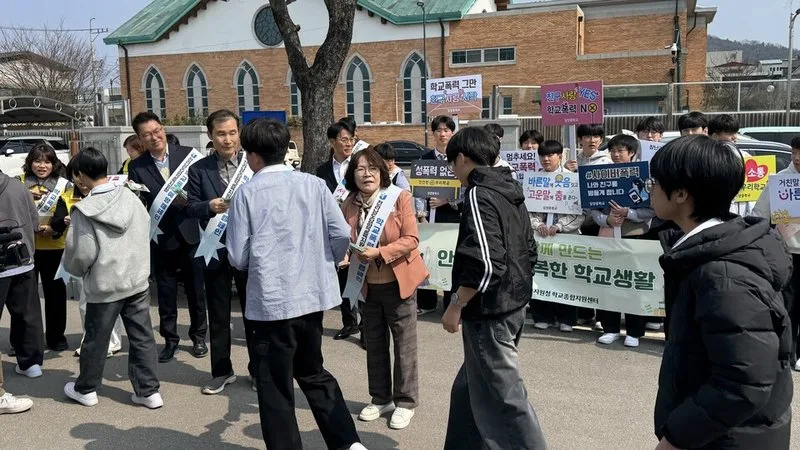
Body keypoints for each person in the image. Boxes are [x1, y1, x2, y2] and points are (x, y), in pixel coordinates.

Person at [226, 118, 365, 450]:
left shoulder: (246, 194)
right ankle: (347, 442)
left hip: (271, 301)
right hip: (310, 297)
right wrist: (324, 262)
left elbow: (237, 256)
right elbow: (342, 233)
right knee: (312, 370)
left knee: (275, 386)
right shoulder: (314, 185)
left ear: (251, 156)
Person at [650, 135, 793, 450]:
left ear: (681, 194)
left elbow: (743, 382)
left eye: (655, 182)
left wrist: (676, 438)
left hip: (729, 437)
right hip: (722, 431)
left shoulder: (723, 274)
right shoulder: (708, 251)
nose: (650, 189)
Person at [441, 127, 546, 449]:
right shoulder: (508, 186)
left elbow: (485, 263)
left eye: (452, 164)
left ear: (461, 158)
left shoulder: (478, 193)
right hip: (512, 303)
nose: (453, 171)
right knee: (470, 388)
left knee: (505, 397)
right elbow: (529, 248)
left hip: (490, 310)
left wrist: (456, 304)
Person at [61, 148, 163, 409]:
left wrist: (77, 271)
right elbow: (145, 228)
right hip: (136, 279)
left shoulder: (84, 210)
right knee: (141, 337)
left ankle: (86, 388)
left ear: (81, 176)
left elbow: (82, 254)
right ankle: (148, 391)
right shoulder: (130, 196)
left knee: (97, 338)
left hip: (105, 284)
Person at [341, 149, 428, 430]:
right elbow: (344, 237)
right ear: (352, 175)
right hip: (367, 284)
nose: (367, 174)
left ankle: (405, 402)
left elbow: (411, 239)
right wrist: (343, 254)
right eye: (360, 169)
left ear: (382, 173)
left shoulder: (399, 197)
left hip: (398, 281)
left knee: (404, 344)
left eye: (373, 169)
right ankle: (380, 398)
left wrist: (380, 251)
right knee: (374, 343)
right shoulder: (349, 204)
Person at [128, 112, 208, 363]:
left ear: (163, 129)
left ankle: (198, 337)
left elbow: (202, 191)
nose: (154, 137)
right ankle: (170, 340)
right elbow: (137, 201)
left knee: (196, 289)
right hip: (160, 236)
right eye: (147, 135)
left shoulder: (188, 156)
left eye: (157, 130)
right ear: (140, 139)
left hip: (191, 231)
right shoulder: (137, 166)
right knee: (165, 291)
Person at [186, 109, 255, 394]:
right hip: (215, 248)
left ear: (239, 133)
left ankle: (258, 370)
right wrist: (208, 207)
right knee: (218, 311)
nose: (227, 139)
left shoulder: (253, 164)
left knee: (254, 312)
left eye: (232, 133)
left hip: (250, 248)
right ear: (211, 137)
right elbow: (190, 206)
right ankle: (221, 371)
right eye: (220, 134)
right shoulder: (199, 169)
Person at [590, 134, 654, 348]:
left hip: (634, 236)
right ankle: (610, 328)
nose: (616, 155)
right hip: (607, 236)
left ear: (632, 153)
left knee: (633, 283)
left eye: (621, 151)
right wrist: (605, 219)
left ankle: (634, 331)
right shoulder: (600, 175)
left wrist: (629, 212)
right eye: (613, 151)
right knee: (607, 281)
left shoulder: (644, 177)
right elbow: (592, 207)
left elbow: (652, 210)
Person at [19, 143, 74, 354]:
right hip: (27, 247)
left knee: (56, 296)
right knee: (25, 297)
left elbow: (70, 210)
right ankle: (25, 339)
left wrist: (55, 228)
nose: (42, 166)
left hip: (55, 246)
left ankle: (56, 337)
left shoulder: (65, 185)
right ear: (30, 162)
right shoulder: (19, 183)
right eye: (37, 161)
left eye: (47, 161)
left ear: (54, 163)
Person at [66, 158, 123, 358]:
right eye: (75, 175)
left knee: (111, 301)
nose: (80, 180)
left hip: (108, 258)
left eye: (82, 174)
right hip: (85, 262)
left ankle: (112, 341)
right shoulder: (67, 197)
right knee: (85, 302)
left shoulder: (115, 194)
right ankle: (89, 338)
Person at [751, 135, 800, 371]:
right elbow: (760, 215)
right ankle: (787, 352)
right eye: (794, 152)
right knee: (787, 305)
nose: (797, 158)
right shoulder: (779, 181)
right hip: (788, 252)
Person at [529, 140, 583, 332]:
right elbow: (528, 211)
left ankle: (566, 318)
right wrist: (539, 224)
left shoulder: (572, 179)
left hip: (566, 237)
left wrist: (559, 226)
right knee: (541, 274)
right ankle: (542, 315)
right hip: (540, 237)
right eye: (542, 155)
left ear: (560, 156)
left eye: (550, 155)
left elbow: (579, 213)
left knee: (565, 276)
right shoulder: (533, 179)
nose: (545, 159)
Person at [0, 168, 44, 402]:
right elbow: (34, 221)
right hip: (22, 259)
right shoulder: (19, 187)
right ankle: (31, 363)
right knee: (27, 315)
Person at [316, 122, 361, 343]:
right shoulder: (321, 170)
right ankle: (350, 322)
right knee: (343, 275)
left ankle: (368, 327)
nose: (349, 143)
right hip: (335, 231)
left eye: (351, 138)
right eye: (344, 139)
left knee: (362, 276)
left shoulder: (361, 165)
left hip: (360, 226)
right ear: (332, 142)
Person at [417, 115, 460, 315]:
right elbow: (417, 190)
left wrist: (447, 201)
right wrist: (420, 213)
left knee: (450, 259)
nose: (442, 134)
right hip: (427, 218)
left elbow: (465, 190)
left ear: (452, 132)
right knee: (427, 258)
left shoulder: (459, 158)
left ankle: (451, 303)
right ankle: (427, 303)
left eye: (446, 130)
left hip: (451, 218)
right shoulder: (425, 159)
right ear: (432, 133)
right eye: (438, 130)